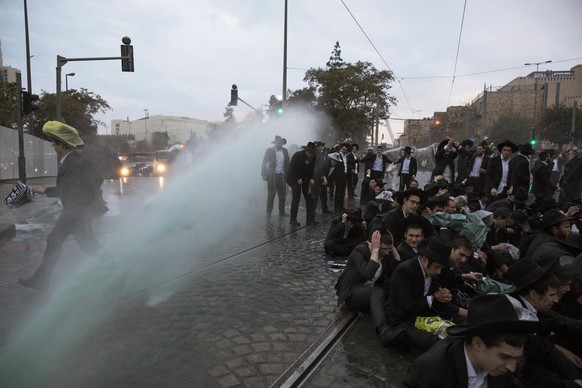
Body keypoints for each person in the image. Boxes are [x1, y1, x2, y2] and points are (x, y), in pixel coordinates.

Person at [19, 121, 103, 290]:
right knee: (88, 245)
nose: (53, 147)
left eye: (54, 144)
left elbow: (71, 187)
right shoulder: (75, 160)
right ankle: (116, 265)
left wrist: (45, 190)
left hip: (75, 212)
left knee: (55, 240)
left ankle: (40, 280)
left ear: (62, 145)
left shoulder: (73, 162)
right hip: (79, 211)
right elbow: (95, 179)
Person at [404, 293, 546, 388]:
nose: (512, 367)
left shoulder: (499, 369)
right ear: (478, 344)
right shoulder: (430, 372)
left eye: (515, 358)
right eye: (505, 356)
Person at [387, 236, 467, 352]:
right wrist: (434, 297)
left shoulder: (433, 272)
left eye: (441, 268)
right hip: (404, 321)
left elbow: (437, 300)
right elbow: (407, 306)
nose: (439, 271)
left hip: (425, 315)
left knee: (459, 328)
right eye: (437, 267)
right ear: (425, 260)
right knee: (438, 342)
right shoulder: (405, 271)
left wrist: (459, 308)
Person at [334, 230, 401, 346]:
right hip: (353, 293)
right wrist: (375, 251)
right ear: (375, 244)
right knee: (376, 291)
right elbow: (368, 274)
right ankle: (383, 329)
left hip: (370, 290)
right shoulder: (360, 251)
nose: (386, 253)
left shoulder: (386, 254)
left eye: (388, 250)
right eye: (383, 249)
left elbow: (398, 270)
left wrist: (392, 248)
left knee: (394, 284)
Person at [286, 141, 316, 226]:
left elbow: (312, 169)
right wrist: (297, 178)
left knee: (309, 198)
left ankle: (310, 219)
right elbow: (292, 168)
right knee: (296, 198)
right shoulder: (297, 156)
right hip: (293, 178)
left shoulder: (313, 156)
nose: (310, 155)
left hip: (305, 178)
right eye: (309, 153)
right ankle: (293, 219)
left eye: (312, 153)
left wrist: (312, 178)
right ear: (306, 151)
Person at [261, 135, 290, 217]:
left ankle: (282, 212)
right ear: (275, 143)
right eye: (278, 142)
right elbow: (264, 162)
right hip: (272, 176)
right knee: (271, 195)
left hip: (282, 175)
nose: (279, 144)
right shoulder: (269, 150)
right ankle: (269, 212)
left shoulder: (285, 151)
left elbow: (288, 163)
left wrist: (288, 174)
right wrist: (263, 174)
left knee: (282, 195)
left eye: (281, 142)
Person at [485, 139, 517, 206]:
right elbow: (488, 175)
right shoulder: (494, 160)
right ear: (501, 150)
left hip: (505, 193)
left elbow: (513, 177)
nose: (506, 152)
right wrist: (492, 187)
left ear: (511, 152)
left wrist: (512, 187)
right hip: (494, 192)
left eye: (508, 151)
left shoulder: (512, 163)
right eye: (505, 150)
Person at [312, 141, 332, 214]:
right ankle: (313, 209)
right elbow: (318, 167)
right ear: (316, 147)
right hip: (316, 176)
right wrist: (323, 177)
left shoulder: (323, 154)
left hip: (323, 175)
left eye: (321, 146)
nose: (320, 147)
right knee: (315, 194)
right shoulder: (316, 155)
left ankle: (325, 208)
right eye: (319, 146)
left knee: (324, 193)